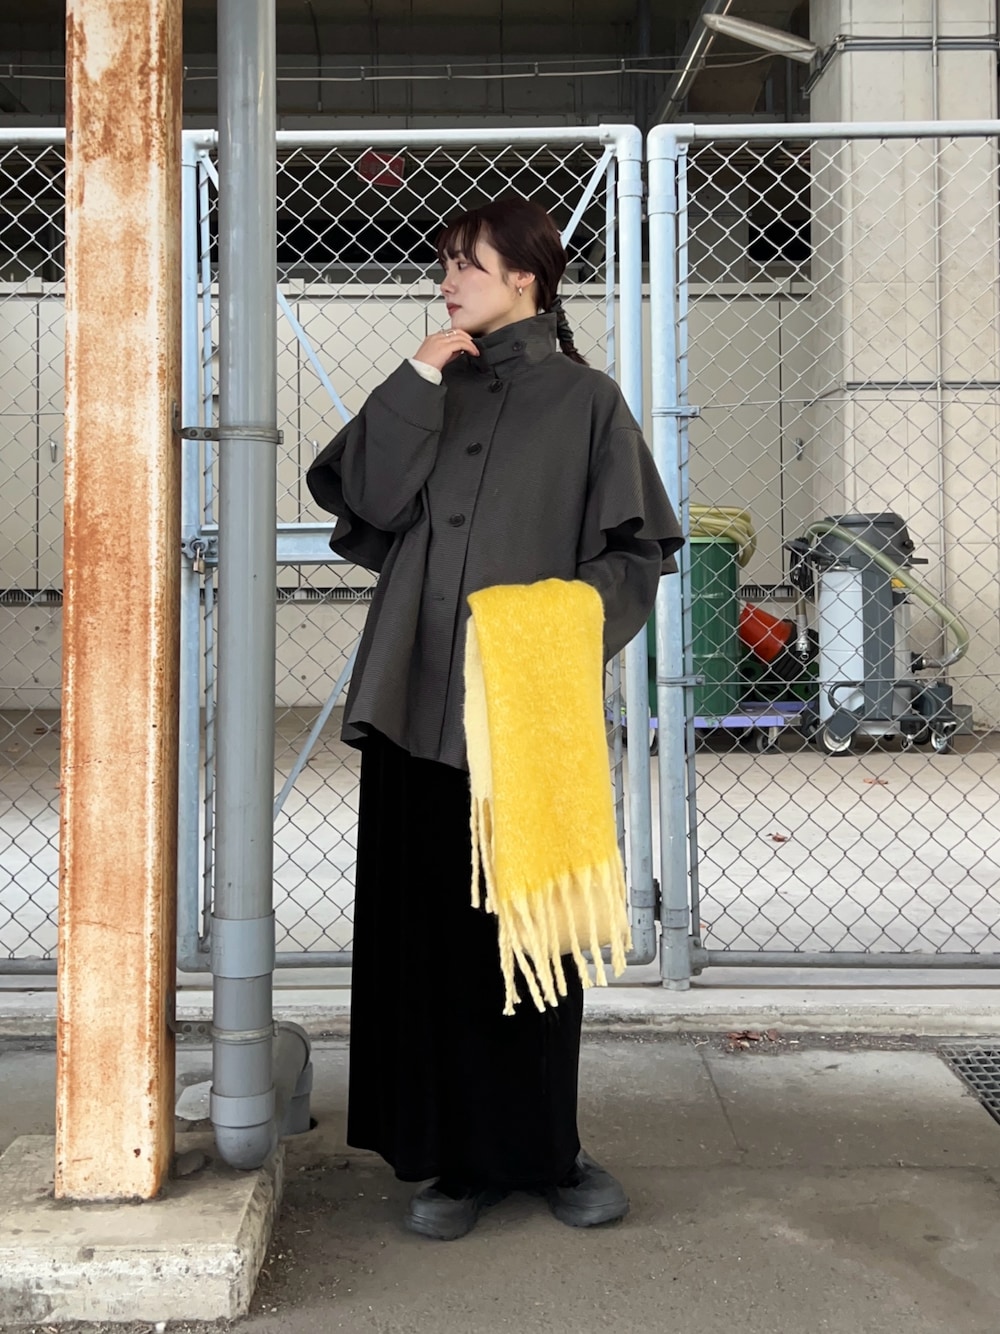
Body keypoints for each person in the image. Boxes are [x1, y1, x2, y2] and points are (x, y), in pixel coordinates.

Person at [306, 195, 683, 1241]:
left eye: (466, 264)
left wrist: (549, 627)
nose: (447, 282)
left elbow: (634, 555)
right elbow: (370, 501)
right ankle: (452, 1161)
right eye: (444, 265)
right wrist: (417, 377)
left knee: (533, 936)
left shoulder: (587, 401)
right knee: (429, 933)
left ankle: (548, 1152)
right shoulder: (433, 385)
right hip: (415, 701)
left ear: (527, 276)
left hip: (526, 714)